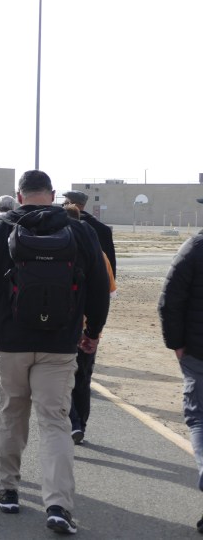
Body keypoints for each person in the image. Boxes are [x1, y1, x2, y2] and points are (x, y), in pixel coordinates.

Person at [0, 170, 110, 534]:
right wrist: (92, 332)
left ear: (19, 194)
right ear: (53, 193)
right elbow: (97, 288)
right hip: (60, 344)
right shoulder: (79, 231)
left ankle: (8, 490)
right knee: (56, 422)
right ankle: (58, 504)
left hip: (10, 342)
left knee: (12, 413)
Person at [158, 228, 203, 534]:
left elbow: (169, 300)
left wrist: (177, 345)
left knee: (200, 419)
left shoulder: (195, 247)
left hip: (198, 354)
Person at [63, 202, 117, 444]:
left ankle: (72, 421)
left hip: (62, 325)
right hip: (88, 327)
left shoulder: (57, 248)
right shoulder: (99, 253)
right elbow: (110, 292)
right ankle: (80, 424)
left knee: (62, 378)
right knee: (83, 379)